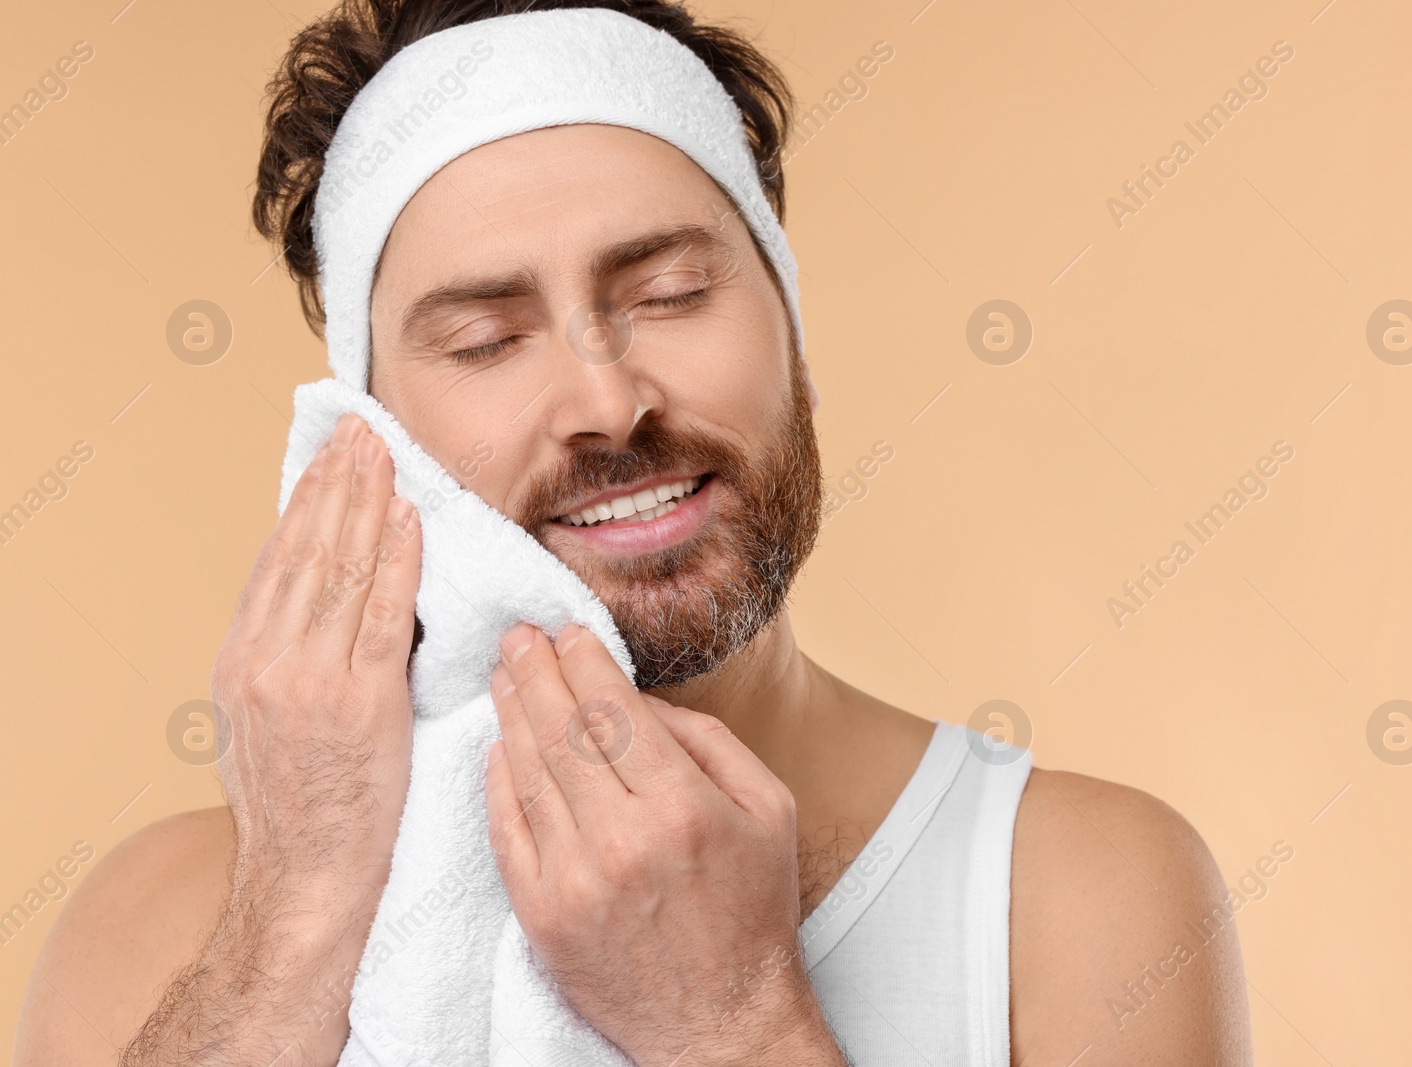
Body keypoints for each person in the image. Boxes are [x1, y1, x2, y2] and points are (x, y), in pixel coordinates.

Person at [14, 2, 1250, 1064]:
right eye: (486, 340)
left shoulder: (1078, 893)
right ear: (369, 434)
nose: (608, 401)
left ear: (791, 329)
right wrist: (293, 918)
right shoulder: (168, 922)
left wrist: (730, 1019)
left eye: (667, 293)